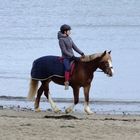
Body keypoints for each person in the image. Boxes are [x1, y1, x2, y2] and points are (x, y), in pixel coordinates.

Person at [58, 24, 85, 90]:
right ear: (65, 31)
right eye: (69, 31)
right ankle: (66, 82)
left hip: (72, 57)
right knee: (67, 68)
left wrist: (81, 53)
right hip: (66, 58)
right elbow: (64, 51)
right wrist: (72, 56)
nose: (70, 32)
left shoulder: (69, 38)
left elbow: (74, 47)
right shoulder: (61, 40)